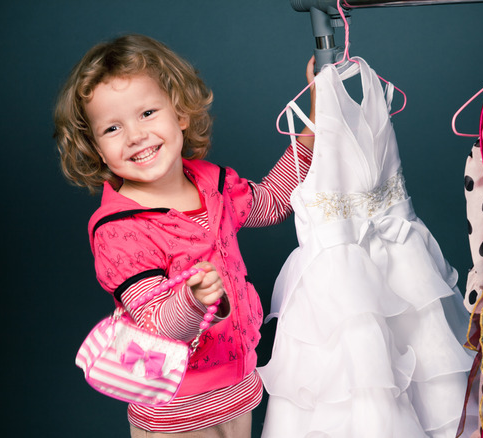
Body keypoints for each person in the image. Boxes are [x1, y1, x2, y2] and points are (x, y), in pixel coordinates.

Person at [54, 33, 315, 437]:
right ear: (96, 149)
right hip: (173, 416)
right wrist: (192, 300)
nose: (135, 135)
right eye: (112, 128)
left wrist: (316, 120)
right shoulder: (118, 230)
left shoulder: (214, 183)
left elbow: (276, 200)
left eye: (146, 113)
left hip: (238, 392)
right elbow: (155, 327)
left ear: (180, 114)